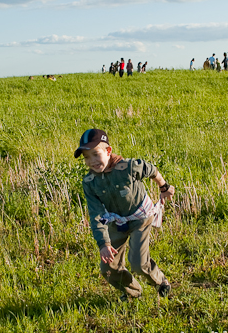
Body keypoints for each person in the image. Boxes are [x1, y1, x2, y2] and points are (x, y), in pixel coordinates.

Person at [75, 129, 174, 301]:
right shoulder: (90, 182)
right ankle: (133, 292)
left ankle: (161, 282)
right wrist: (104, 243)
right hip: (117, 223)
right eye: (86, 157)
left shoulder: (128, 167)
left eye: (95, 154)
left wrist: (164, 187)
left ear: (108, 151)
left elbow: (151, 170)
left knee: (138, 263)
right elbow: (96, 214)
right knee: (108, 268)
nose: (92, 161)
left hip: (141, 218)